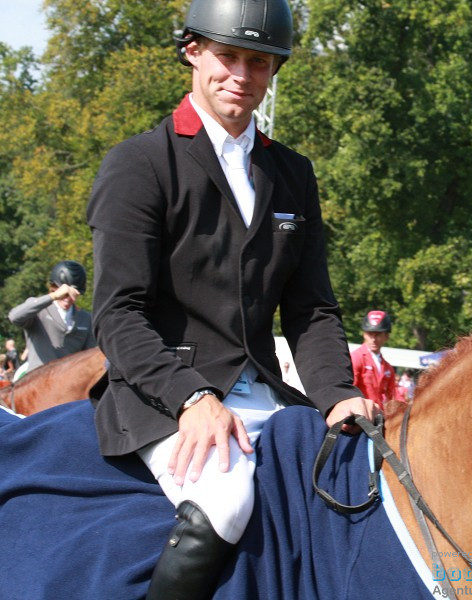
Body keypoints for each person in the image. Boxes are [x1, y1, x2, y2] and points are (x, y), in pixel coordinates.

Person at [85, 1, 375, 596]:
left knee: (361, 480)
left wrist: (338, 395)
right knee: (226, 498)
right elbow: (118, 313)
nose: (242, 75)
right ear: (192, 51)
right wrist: (191, 396)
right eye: (229, 56)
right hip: (163, 395)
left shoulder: (292, 173)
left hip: (265, 390)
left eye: (260, 62)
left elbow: (310, 309)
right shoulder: (140, 164)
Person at [7, 261, 96, 373]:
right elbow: (14, 316)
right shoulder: (38, 311)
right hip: (37, 381)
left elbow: (90, 355)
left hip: (68, 383)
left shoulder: (86, 318)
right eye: (64, 294)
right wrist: (53, 296)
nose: (68, 298)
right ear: (53, 287)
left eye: (73, 294)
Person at [350, 310, 397, 410]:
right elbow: (350, 392)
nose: (373, 339)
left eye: (378, 334)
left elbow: (392, 398)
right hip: (359, 418)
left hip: (379, 418)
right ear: (364, 334)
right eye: (370, 334)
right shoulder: (356, 358)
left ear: (386, 336)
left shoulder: (388, 368)